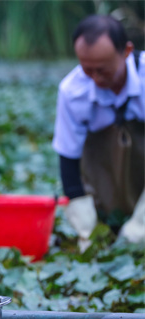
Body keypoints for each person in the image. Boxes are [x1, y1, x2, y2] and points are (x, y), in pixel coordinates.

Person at [53, 14, 144, 250]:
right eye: (87, 69)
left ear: (126, 51)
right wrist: (86, 228)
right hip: (104, 189)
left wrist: (140, 224)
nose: (94, 78)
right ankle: (108, 222)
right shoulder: (72, 91)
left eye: (102, 70)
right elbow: (68, 160)